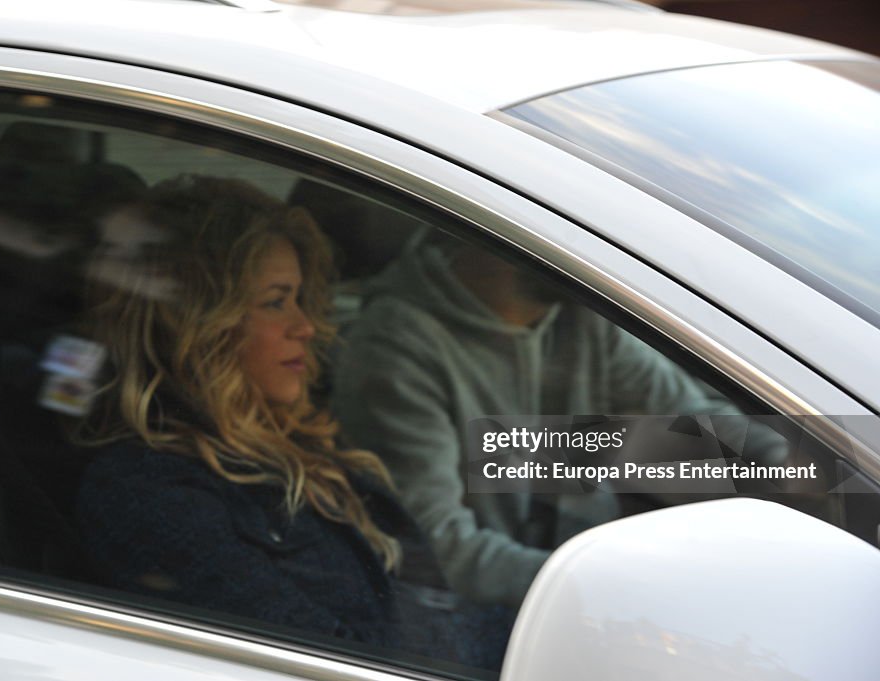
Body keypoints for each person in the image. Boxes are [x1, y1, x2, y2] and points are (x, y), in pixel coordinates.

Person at [73, 175, 507, 669]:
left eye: (299, 299)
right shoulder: (152, 494)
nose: (306, 327)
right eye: (276, 302)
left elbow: (601, 455)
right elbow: (338, 662)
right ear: (200, 323)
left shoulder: (299, 444)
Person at [332, 230, 787, 607]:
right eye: (576, 231)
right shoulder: (396, 352)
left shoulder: (578, 313)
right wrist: (615, 589)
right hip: (490, 625)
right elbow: (437, 551)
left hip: (584, 582)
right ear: (504, 228)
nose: (604, 247)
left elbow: (692, 417)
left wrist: (789, 467)